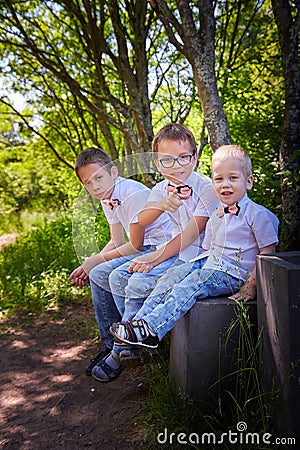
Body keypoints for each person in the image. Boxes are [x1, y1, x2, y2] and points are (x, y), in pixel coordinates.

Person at [110, 144, 280, 350]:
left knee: (193, 283)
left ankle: (154, 329)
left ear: (249, 181)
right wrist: (186, 268)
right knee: (171, 277)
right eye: (219, 179)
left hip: (233, 272)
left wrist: (251, 285)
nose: (225, 184)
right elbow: (206, 249)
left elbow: (268, 253)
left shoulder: (258, 215)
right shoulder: (216, 213)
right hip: (208, 263)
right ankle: (137, 326)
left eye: (233, 178)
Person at [91, 124, 219, 382]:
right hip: (176, 252)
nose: (177, 165)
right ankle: (135, 344)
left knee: (138, 280)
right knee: (120, 276)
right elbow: (141, 221)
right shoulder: (161, 188)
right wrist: (161, 204)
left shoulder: (206, 187)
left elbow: (192, 234)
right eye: (167, 160)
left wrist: (154, 257)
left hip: (201, 257)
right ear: (157, 164)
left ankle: (120, 351)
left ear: (195, 157)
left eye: (184, 157)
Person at [68, 147, 172, 375]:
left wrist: (94, 259)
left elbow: (135, 245)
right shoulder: (108, 198)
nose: (94, 186)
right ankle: (110, 344)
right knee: (97, 273)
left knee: (113, 274)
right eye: (87, 183)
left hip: (163, 247)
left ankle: (128, 345)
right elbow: (116, 242)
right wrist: (90, 264)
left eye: (99, 178)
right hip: (144, 246)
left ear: (113, 173)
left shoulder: (131, 193)